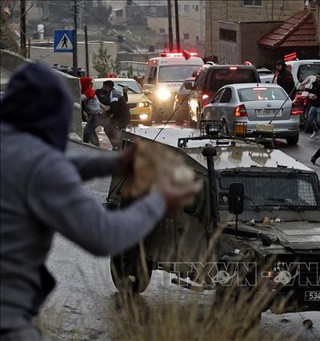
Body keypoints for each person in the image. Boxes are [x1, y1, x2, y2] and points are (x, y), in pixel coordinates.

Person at [0, 62, 200, 340]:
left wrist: (113, 163)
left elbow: (50, 169)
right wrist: (158, 200)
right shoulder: (41, 166)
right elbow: (105, 237)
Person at [96, 80, 129, 150]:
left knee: (111, 129)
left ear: (108, 87)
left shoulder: (113, 94)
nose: (102, 88)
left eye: (104, 86)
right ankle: (117, 146)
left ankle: (117, 147)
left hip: (121, 117)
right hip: (122, 116)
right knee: (112, 129)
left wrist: (106, 113)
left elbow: (114, 107)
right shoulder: (114, 92)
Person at [80, 77, 102, 147]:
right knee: (91, 131)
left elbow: (82, 98)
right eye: (89, 84)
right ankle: (96, 146)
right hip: (93, 115)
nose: (90, 85)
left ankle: (86, 147)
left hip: (95, 115)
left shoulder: (89, 91)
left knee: (87, 131)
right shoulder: (86, 91)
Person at [306, 72, 320, 139]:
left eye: (318, 77)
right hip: (314, 104)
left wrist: (317, 97)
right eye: (316, 77)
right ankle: (316, 130)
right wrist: (306, 90)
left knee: (319, 120)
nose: (317, 78)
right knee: (309, 120)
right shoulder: (314, 84)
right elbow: (313, 91)